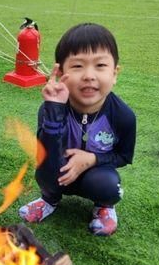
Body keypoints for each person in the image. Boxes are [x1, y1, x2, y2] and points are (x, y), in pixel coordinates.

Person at [19, 23, 136, 236]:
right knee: (45, 167)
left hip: (97, 174)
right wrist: (54, 110)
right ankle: (49, 200)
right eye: (77, 66)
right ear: (61, 72)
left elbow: (124, 156)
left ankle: (104, 207)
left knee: (109, 186)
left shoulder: (123, 116)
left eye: (100, 65)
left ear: (115, 73)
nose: (89, 75)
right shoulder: (50, 109)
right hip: (60, 171)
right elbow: (44, 154)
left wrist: (91, 159)